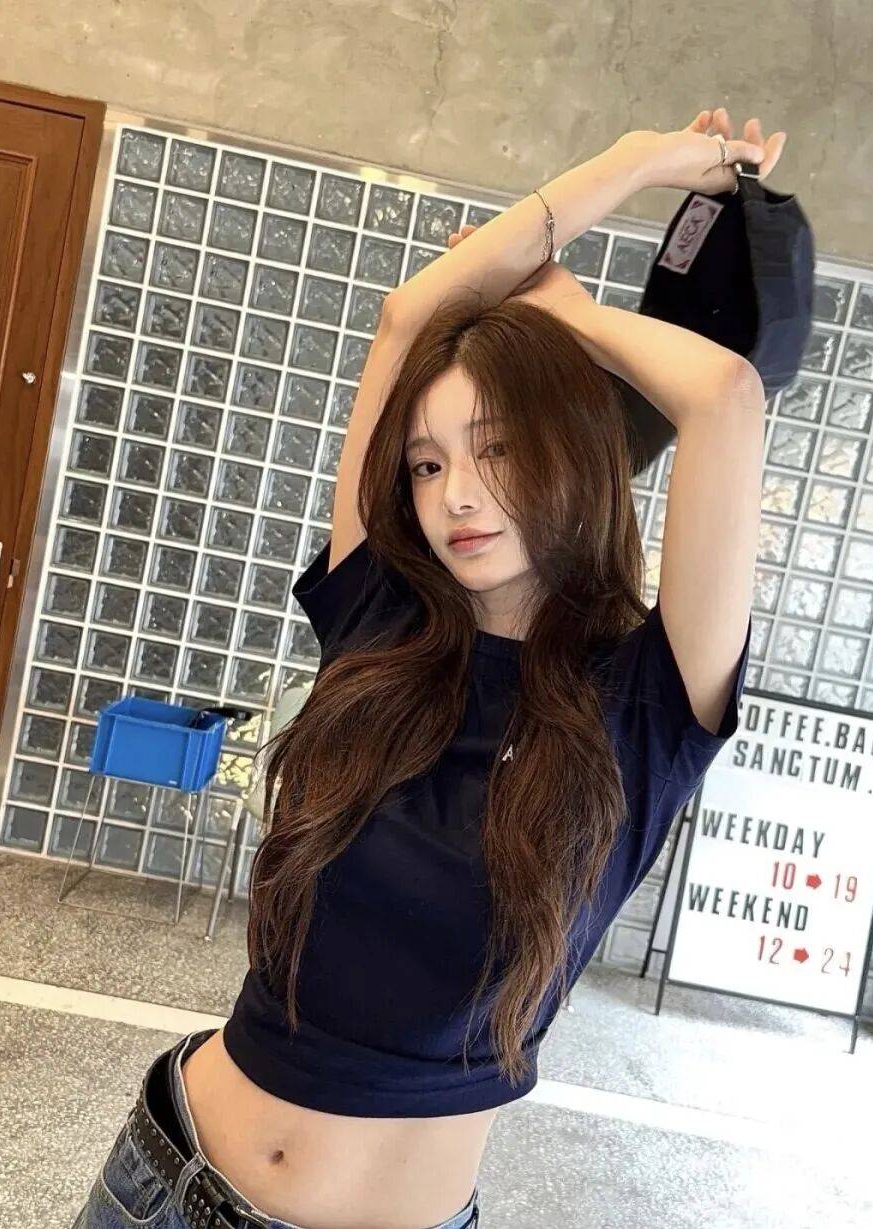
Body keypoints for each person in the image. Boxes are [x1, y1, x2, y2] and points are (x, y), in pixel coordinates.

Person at [74, 107, 784, 1229]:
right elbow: (409, 315)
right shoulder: (379, 619)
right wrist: (636, 161)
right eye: (426, 462)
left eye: (497, 446)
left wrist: (570, 318)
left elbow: (725, 398)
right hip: (168, 1178)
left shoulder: (646, 701)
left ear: (568, 451)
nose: (457, 493)